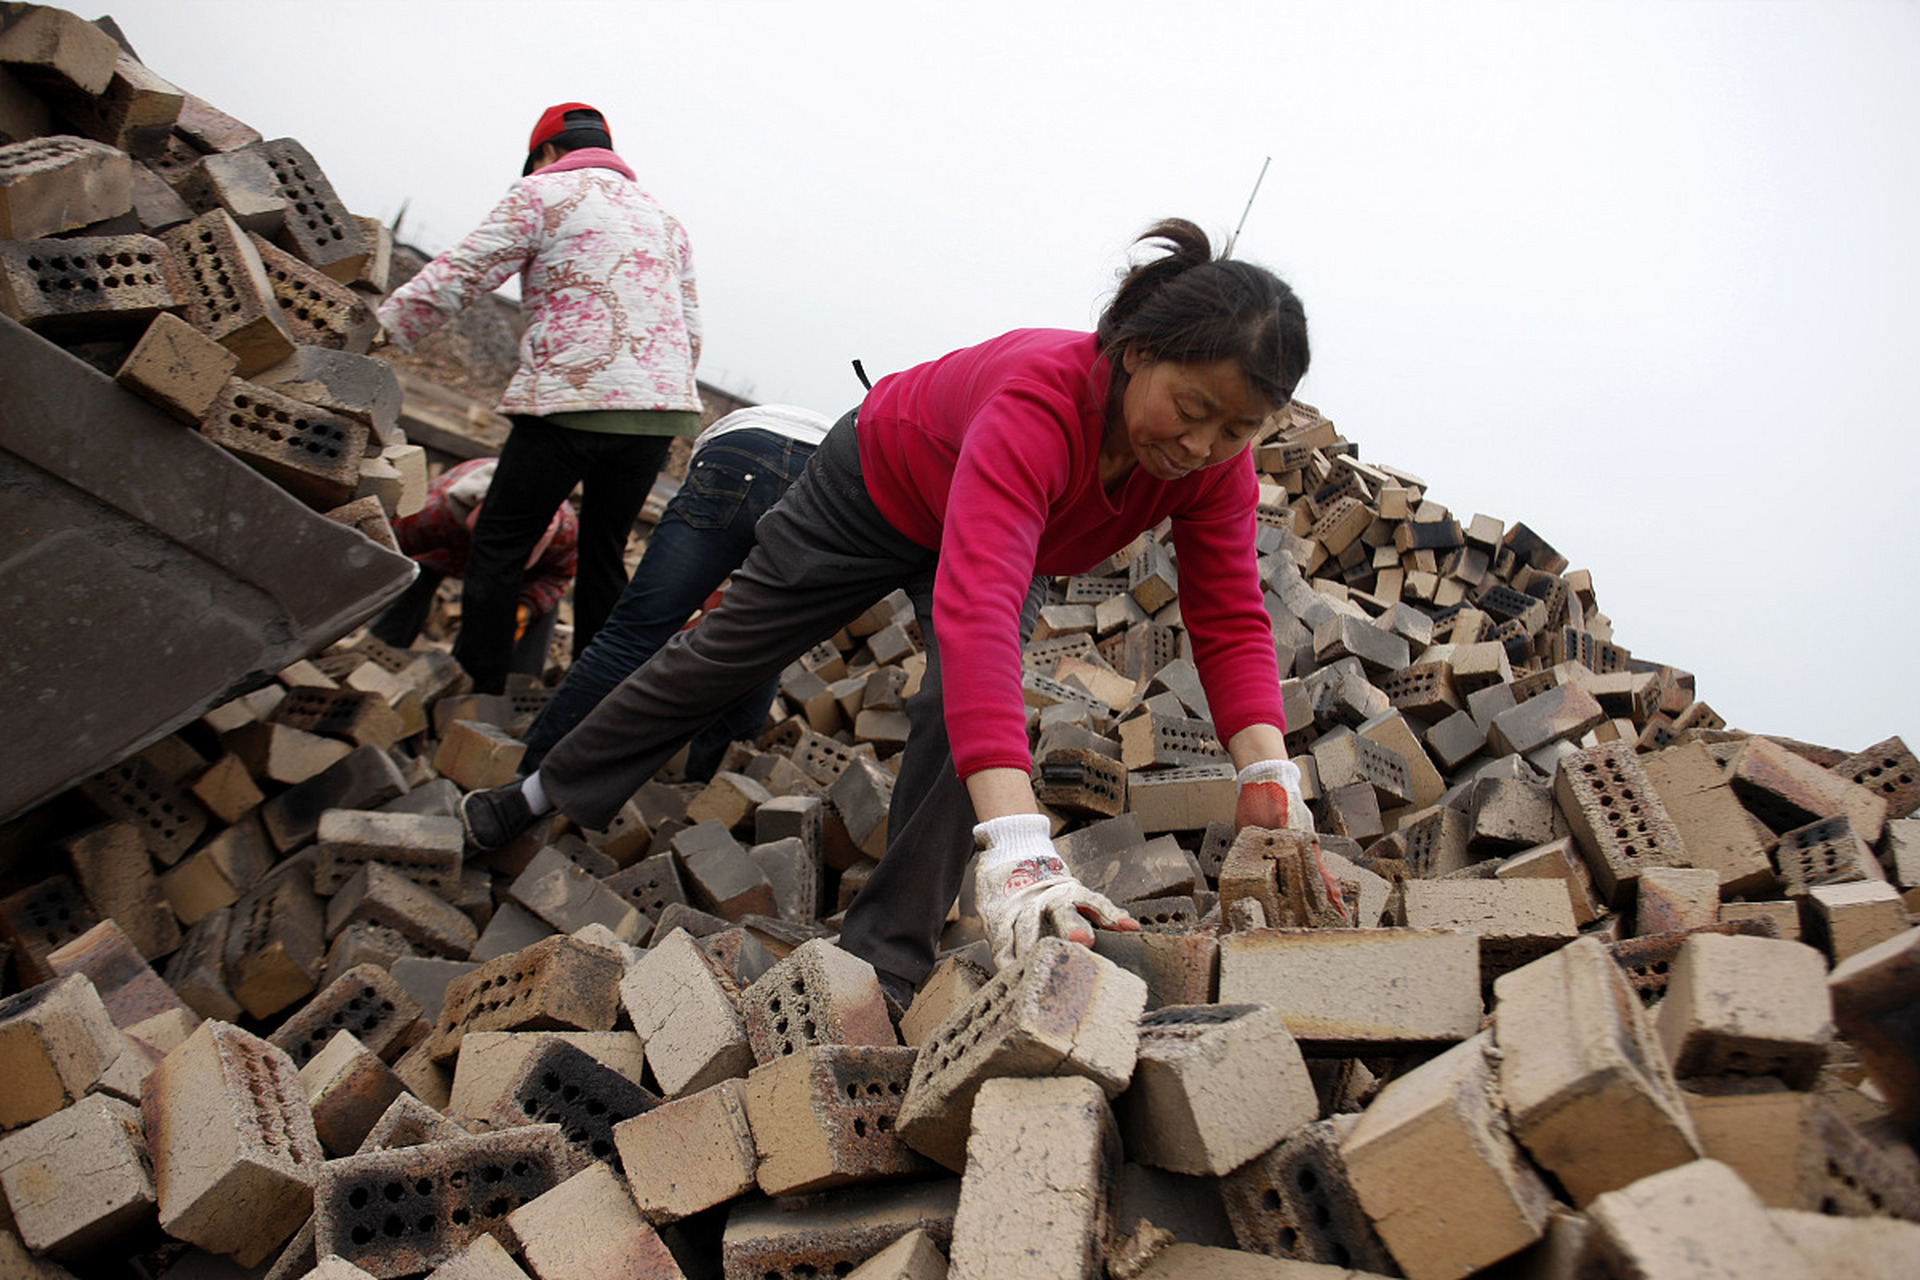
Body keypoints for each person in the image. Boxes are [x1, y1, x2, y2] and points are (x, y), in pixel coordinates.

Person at [460, 218, 1345, 1009]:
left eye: (1235, 431)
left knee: (958, 716)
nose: (1200, 445)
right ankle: (537, 793)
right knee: (726, 653)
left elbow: (1230, 615)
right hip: (873, 490)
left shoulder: (1212, 470)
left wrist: (1269, 772)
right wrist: (1021, 846)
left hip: (1010, 541)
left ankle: (885, 962)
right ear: (1137, 351)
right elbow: (978, 609)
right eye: (1191, 410)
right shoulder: (1040, 402)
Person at [375, 102, 702, 695]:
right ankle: (588, 705)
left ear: (546, 153)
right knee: (604, 560)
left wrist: (380, 329)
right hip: (658, 413)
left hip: (571, 399)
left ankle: (480, 699)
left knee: (500, 544)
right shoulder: (664, 220)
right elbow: (690, 329)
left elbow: (462, 272)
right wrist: (656, 393)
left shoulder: (541, 193)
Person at [517, 403, 833, 781]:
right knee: (762, 651)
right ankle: (711, 792)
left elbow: (708, 557)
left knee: (631, 637)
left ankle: (529, 779)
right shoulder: (844, 441)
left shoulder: (746, 427)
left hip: (740, 452)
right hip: (824, 482)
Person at [367, 457, 576, 678]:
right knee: (414, 575)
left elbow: (557, 577)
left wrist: (527, 607)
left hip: (521, 571)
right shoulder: (435, 514)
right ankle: (378, 653)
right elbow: (394, 547)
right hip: (449, 546)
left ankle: (518, 680)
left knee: (542, 605)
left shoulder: (564, 534)